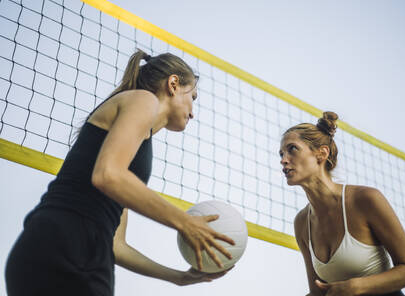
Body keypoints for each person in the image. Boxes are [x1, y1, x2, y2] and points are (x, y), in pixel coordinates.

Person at [5, 50, 235, 295]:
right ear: (174, 84)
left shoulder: (137, 146)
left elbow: (116, 245)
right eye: (194, 97)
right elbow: (107, 175)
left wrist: (179, 278)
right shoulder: (142, 100)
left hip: (85, 253)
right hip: (64, 244)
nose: (192, 112)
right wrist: (185, 222)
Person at [280, 111, 405, 296]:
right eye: (281, 154)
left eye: (292, 149)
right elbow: (317, 292)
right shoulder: (301, 222)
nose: (283, 160)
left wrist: (355, 287)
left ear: (321, 153)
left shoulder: (365, 199)